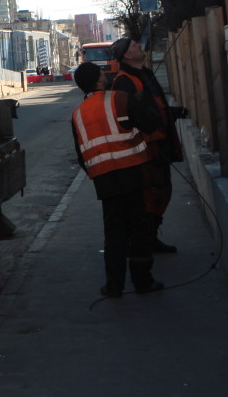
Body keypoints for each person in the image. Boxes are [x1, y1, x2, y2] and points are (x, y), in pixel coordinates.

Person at [70, 61, 163, 297]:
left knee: (114, 232)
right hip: (133, 171)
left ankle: (114, 286)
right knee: (140, 227)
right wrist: (145, 102)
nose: (105, 75)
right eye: (102, 73)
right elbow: (150, 125)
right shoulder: (119, 99)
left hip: (105, 179)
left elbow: (80, 152)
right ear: (100, 80)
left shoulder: (78, 113)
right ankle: (143, 282)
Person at [111, 36, 188, 253]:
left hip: (160, 143)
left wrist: (172, 113)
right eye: (135, 46)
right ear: (127, 54)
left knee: (162, 190)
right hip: (147, 149)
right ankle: (143, 241)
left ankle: (148, 237)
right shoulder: (125, 81)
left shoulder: (144, 74)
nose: (139, 47)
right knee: (151, 194)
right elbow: (130, 117)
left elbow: (153, 107)